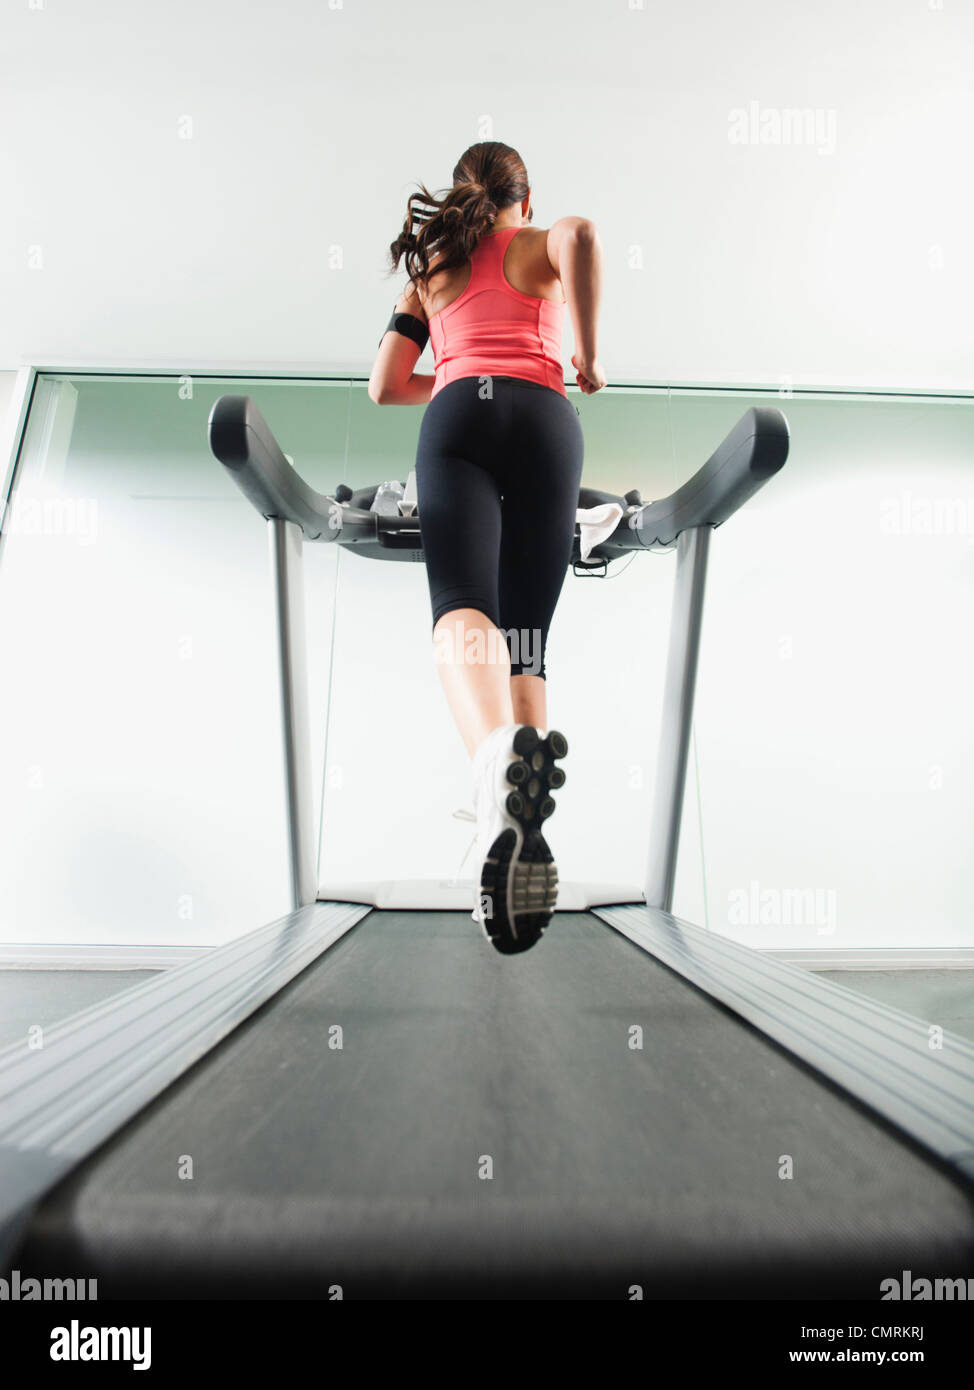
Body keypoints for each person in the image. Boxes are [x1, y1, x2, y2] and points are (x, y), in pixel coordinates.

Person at [369, 141, 606, 955]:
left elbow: (384, 385)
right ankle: (522, 793)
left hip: (460, 418)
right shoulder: (535, 244)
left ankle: (492, 773)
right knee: (526, 643)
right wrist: (587, 356)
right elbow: (579, 235)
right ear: (524, 197)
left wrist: (465, 369)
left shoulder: (432, 265)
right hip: (546, 421)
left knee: (461, 604)